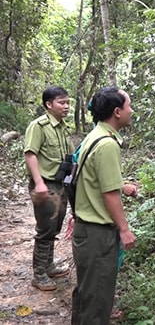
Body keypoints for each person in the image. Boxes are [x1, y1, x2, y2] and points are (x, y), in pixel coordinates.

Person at [71, 86, 138, 325]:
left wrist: (123, 185)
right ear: (117, 112)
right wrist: (124, 228)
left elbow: (93, 178)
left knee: (87, 293)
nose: (132, 111)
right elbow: (109, 194)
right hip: (97, 234)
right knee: (98, 298)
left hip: (86, 231)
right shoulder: (107, 144)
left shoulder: (94, 135)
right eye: (129, 106)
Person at [24, 86, 75, 291]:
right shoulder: (39, 126)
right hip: (45, 184)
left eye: (67, 102)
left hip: (60, 183)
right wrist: (38, 183)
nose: (66, 106)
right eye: (62, 102)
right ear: (49, 104)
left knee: (55, 226)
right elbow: (30, 154)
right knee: (45, 228)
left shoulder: (63, 127)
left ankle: (49, 265)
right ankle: (39, 274)